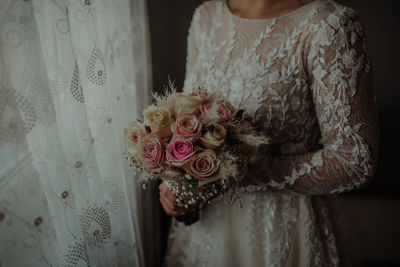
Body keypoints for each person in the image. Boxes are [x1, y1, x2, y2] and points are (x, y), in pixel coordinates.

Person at [159, 0, 379, 265]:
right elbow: (187, 115)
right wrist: (179, 183)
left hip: (281, 229)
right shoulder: (206, 17)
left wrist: (230, 175)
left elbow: (354, 162)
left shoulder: (328, 24)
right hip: (207, 231)